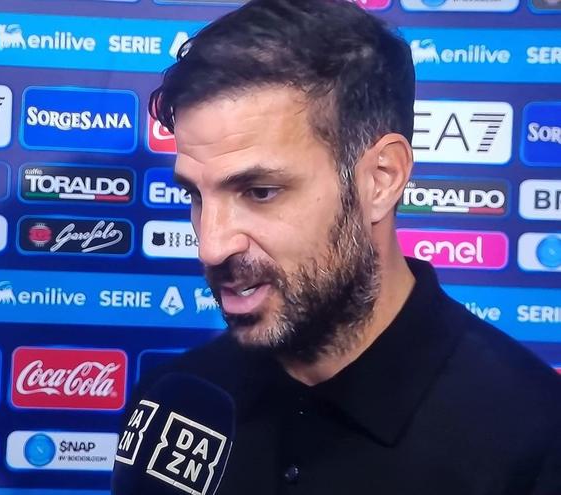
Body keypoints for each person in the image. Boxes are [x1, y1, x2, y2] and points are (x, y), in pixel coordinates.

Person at [114, 0, 561, 493]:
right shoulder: (172, 406)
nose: (212, 247)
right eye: (195, 196)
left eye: (259, 192)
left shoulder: (534, 438)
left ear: (381, 179)